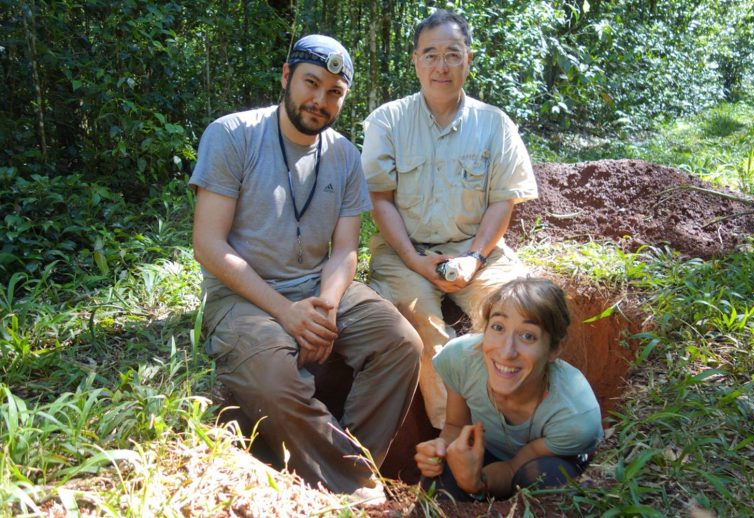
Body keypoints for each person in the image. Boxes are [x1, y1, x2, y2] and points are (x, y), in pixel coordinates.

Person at [190, 34, 422, 498]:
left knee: (402, 344)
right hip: (241, 297)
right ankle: (354, 486)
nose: (319, 100)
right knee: (275, 380)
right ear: (286, 76)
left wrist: (328, 307)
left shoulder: (345, 156)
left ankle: (352, 462)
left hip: (319, 286)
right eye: (311, 83)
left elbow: (344, 251)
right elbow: (208, 245)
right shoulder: (233, 135)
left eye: (334, 92)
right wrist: (285, 311)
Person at [361, 9, 538, 429]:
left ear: (468, 59)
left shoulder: (494, 124)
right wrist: (413, 259)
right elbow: (380, 199)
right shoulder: (387, 121)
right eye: (431, 55)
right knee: (421, 321)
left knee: (522, 310)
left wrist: (475, 257)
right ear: (415, 61)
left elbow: (502, 201)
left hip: (478, 252)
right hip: (403, 251)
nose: (441, 66)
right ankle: (452, 434)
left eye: (452, 55)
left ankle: (520, 425)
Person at [414, 278, 603, 500]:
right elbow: (456, 425)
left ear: (554, 349)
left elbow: (515, 469)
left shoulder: (575, 418)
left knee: (548, 476)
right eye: (498, 327)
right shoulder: (460, 360)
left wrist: (477, 483)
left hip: (547, 461)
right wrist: (440, 451)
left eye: (528, 336)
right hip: (490, 453)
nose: (506, 352)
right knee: (441, 478)